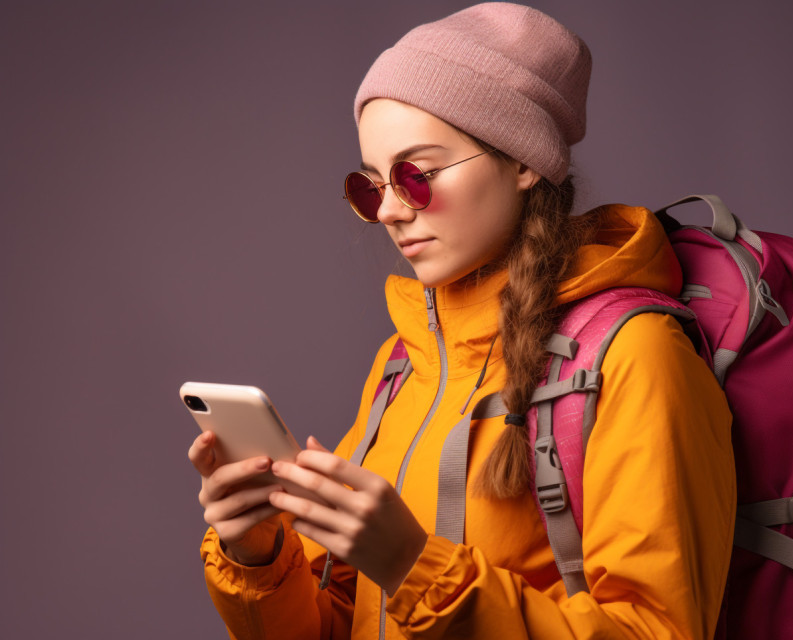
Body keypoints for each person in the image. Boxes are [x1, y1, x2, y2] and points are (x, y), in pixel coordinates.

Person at [188, 3, 736, 638]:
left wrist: (411, 564)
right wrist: (257, 555)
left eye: (415, 176)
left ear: (525, 159)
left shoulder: (635, 353)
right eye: (371, 186)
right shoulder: (404, 363)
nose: (391, 211)